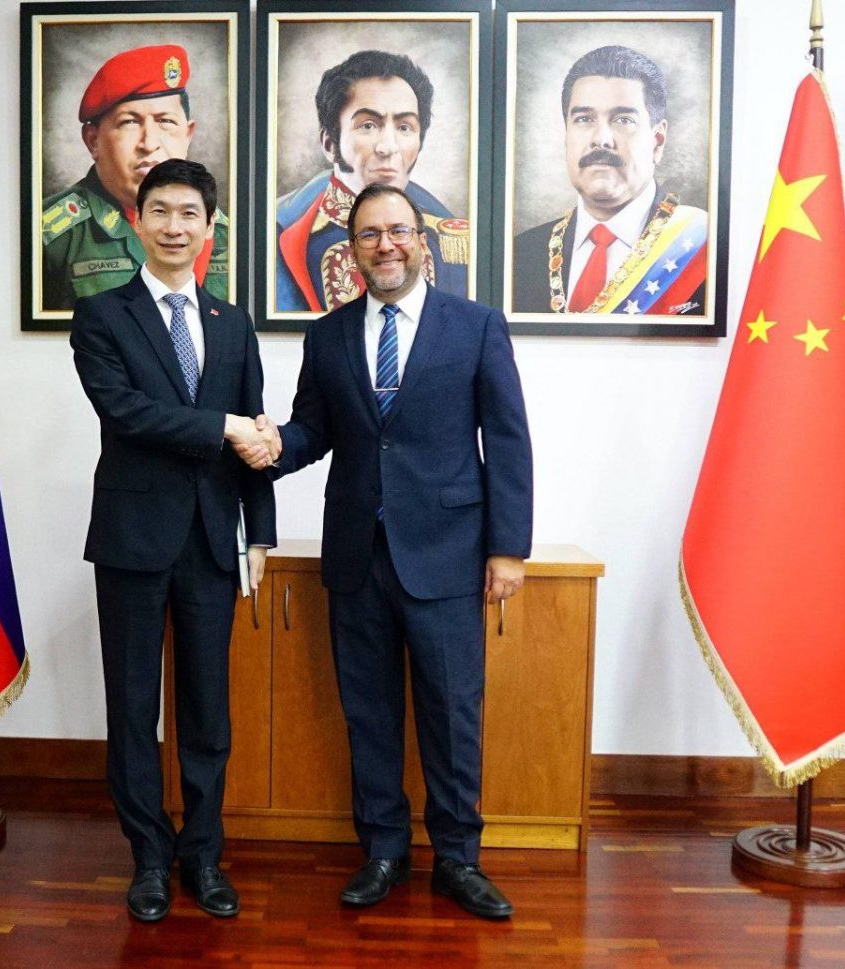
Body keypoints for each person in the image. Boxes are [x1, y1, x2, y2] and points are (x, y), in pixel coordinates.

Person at [239, 184, 532, 919]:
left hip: (449, 555)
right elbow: (314, 429)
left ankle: (458, 859)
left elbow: (507, 440)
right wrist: (271, 445)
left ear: (421, 240)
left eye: (398, 231)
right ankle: (383, 851)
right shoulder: (328, 336)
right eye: (369, 234)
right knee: (368, 713)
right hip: (357, 556)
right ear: (353, 249)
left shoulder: (476, 326)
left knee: (452, 713)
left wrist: (508, 548)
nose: (385, 245)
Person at [71, 158, 278, 922]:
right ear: (137, 220)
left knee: (207, 710)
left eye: (189, 213)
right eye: (159, 210)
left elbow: (254, 428)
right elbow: (126, 412)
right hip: (131, 538)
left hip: (212, 542)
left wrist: (260, 532)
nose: (173, 226)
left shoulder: (232, 322)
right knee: (133, 709)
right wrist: (222, 425)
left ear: (209, 226)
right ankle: (149, 859)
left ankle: (203, 855)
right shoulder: (102, 315)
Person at [511, 45, 708, 316]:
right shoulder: (521, 254)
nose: (601, 139)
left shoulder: (703, 250)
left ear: (657, 141)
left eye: (623, 120)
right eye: (584, 119)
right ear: (566, 135)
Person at [275, 49, 470, 313]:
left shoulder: (449, 238)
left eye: (404, 127)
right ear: (330, 143)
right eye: (368, 125)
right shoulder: (283, 230)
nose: (388, 147)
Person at [44, 45, 230, 311]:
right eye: (129, 122)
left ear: (188, 135)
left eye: (165, 122)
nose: (149, 143)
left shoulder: (224, 233)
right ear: (93, 141)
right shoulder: (52, 236)